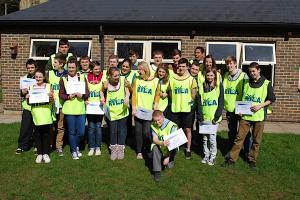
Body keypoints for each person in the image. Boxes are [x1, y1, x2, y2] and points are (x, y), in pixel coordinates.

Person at [221, 62, 276, 170]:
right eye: (250, 71)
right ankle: (232, 159)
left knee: (256, 140)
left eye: (254, 71)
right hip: (245, 116)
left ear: (259, 70)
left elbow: (271, 99)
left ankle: (252, 159)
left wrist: (260, 106)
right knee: (239, 138)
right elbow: (242, 97)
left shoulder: (266, 83)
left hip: (259, 116)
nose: (252, 73)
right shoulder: (246, 82)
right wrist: (240, 109)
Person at [59, 57, 89, 160]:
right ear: (67, 68)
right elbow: (61, 94)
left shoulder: (82, 77)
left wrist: (83, 95)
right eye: (69, 67)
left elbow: (87, 92)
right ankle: (73, 150)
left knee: (81, 132)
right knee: (72, 131)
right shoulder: (63, 79)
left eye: (73, 67)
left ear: (76, 68)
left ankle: (76, 146)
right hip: (69, 109)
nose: (71, 69)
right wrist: (68, 96)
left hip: (80, 109)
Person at [169, 58, 197, 159]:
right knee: (175, 129)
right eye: (180, 66)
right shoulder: (172, 78)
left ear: (187, 67)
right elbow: (171, 93)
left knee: (188, 129)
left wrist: (188, 103)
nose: (181, 68)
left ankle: (188, 149)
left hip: (187, 109)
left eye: (183, 66)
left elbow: (193, 95)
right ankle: (174, 149)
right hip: (175, 108)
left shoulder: (191, 79)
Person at [132, 61, 160, 159]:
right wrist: (134, 108)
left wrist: (156, 104)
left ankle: (148, 149)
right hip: (138, 110)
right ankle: (139, 151)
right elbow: (134, 95)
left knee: (146, 132)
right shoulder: (137, 80)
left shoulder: (155, 81)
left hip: (149, 111)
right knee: (138, 132)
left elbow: (157, 94)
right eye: (138, 69)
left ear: (145, 69)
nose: (138, 71)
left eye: (140, 69)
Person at [101, 67, 130, 160]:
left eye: (118, 75)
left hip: (122, 111)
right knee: (113, 131)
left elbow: (128, 92)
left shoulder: (123, 80)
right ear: (109, 76)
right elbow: (101, 92)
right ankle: (113, 149)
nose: (117, 77)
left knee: (122, 131)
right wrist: (102, 99)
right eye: (115, 76)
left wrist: (126, 97)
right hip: (112, 112)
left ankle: (121, 149)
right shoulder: (106, 83)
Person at [223, 56, 250, 153]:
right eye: (227, 64)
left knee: (245, 132)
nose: (229, 65)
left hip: (241, 109)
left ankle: (247, 152)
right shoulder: (226, 75)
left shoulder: (244, 75)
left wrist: (244, 109)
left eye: (231, 63)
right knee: (232, 132)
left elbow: (247, 92)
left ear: (235, 64)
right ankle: (231, 151)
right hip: (230, 109)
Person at [197, 68, 224, 165]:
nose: (209, 77)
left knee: (212, 139)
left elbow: (221, 102)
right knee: (205, 139)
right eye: (208, 75)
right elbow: (199, 102)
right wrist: (200, 116)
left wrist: (217, 117)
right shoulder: (201, 86)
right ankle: (206, 155)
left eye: (211, 75)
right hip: (204, 117)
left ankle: (212, 156)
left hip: (213, 118)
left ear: (215, 76)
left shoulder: (219, 86)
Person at [29, 69, 55, 163]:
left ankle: (46, 153)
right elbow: (29, 102)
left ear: (44, 77)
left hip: (46, 112)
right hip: (36, 113)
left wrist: (51, 97)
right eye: (36, 77)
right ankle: (40, 153)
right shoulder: (31, 87)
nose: (38, 78)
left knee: (46, 134)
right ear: (34, 78)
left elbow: (53, 101)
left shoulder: (49, 86)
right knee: (37, 134)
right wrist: (28, 97)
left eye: (40, 77)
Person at [47, 54, 68, 156]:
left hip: (63, 105)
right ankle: (49, 145)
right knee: (50, 126)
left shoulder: (67, 75)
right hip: (51, 106)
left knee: (60, 127)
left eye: (55, 62)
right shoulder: (50, 74)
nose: (53, 64)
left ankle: (59, 147)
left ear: (61, 64)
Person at [16, 59, 37, 154]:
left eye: (32, 67)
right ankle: (22, 146)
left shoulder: (40, 77)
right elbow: (21, 93)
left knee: (38, 127)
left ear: (35, 68)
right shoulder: (24, 78)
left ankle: (37, 145)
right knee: (25, 127)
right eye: (28, 68)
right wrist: (23, 92)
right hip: (27, 107)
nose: (30, 69)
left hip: (38, 106)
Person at [151, 110, 178, 182]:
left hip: (171, 148)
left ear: (163, 117)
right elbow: (154, 139)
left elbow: (174, 143)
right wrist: (162, 143)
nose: (157, 122)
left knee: (169, 165)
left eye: (158, 120)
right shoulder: (153, 125)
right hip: (161, 146)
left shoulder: (172, 125)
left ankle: (170, 159)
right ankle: (157, 171)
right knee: (155, 147)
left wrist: (168, 157)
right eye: (155, 121)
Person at [86, 61, 103, 156]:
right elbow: (84, 90)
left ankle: (98, 147)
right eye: (96, 69)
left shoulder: (103, 76)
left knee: (98, 127)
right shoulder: (87, 77)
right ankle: (92, 147)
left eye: (99, 69)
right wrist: (85, 99)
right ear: (92, 69)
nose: (98, 70)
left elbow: (105, 89)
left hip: (100, 106)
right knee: (91, 127)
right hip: (90, 107)